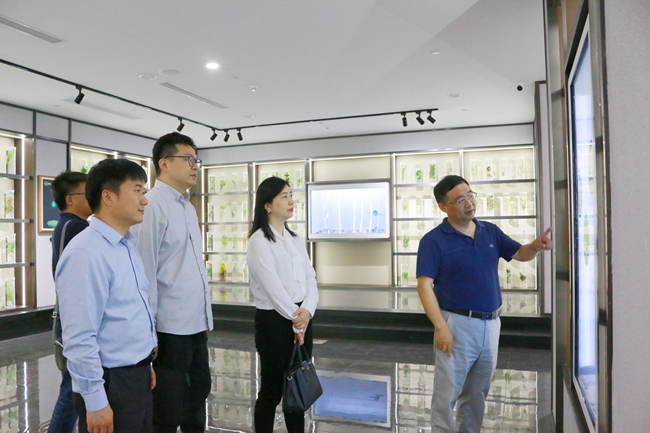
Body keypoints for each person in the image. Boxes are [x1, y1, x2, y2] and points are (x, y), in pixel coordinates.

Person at [416, 175, 553, 433]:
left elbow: (519, 253)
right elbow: (424, 286)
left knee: (477, 392)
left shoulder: (489, 231)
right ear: (443, 207)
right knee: (447, 393)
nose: (469, 203)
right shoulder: (433, 240)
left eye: (470, 195)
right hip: (456, 324)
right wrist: (441, 327)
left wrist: (535, 246)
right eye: (460, 200)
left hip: (491, 323)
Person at [55, 159, 157, 433]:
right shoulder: (85, 253)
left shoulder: (126, 245)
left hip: (135, 374)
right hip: (110, 382)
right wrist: (96, 401)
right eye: (137, 190)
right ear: (108, 197)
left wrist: (144, 360)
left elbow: (130, 311)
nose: (144, 200)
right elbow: (79, 337)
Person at [132, 132, 213, 433]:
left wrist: (205, 314)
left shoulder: (187, 206)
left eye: (196, 160)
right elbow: (145, 271)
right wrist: (148, 330)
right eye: (188, 159)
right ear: (164, 163)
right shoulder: (152, 205)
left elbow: (190, 267)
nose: (195, 166)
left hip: (194, 323)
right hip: (169, 326)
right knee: (168, 406)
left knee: (198, 393)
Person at [246, 176, 319, 433]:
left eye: (291, 195)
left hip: (302, 318)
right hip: (275, 321)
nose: (291, 201)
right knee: (272, 390)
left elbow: (310, 278)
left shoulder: (296, 238)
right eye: (284, 196)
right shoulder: (258, 241)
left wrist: (307, 311)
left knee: (297, 387)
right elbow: (272, 288)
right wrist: (296, 319)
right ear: (267, 205)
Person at [48, 171, 92, 433]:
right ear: (70, 199)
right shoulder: (72, 227)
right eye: (87, 193)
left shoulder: (78, 225)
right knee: (71, 391)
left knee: (73, 389)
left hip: (73, 317)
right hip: (72, 319)